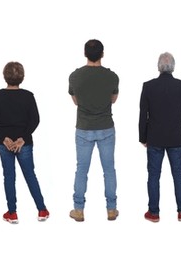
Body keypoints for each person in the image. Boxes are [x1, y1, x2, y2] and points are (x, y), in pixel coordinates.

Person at [0, 62, 50, 224]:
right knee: (30, 175)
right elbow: (35, 120)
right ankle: (42, 209)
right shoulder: (28, 96)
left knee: (9, 176)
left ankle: (12, 213)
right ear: (22, 77)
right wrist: (22, 137)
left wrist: (4, 138)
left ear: (4, 76)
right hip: (24, 143)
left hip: (4, 143)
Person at [68, 39, 120, 222]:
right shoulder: (112, 76)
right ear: (102, 54)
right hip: (106, 127)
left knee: (81, 170)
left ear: (84, 54)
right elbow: (113, 99)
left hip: (84, 128)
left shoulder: (75, 76)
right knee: (109, 169)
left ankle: (79, 210)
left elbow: (76, 101)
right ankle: (111, 209)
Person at [139, 52, 181, 223]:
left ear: (158, 67)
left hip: (154, 138)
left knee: (153, 176)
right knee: (178, 174)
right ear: (173, 67)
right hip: (176, 138)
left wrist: (143, 137)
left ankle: (154, 213)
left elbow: (143, 115)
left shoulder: (148, 86)